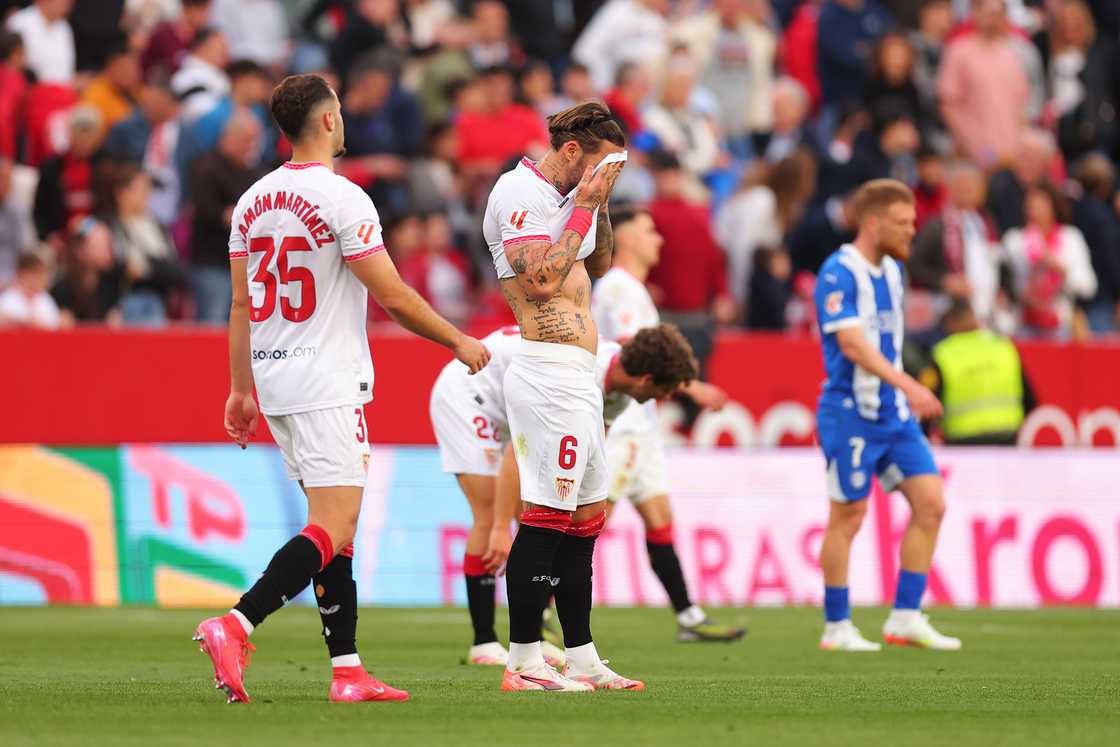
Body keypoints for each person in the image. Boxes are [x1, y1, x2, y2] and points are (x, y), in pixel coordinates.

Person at [192, 73, 490, 705]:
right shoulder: (344, 198)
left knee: (335, 531)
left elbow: (242, 304)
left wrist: (239, 390)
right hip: (325, 379)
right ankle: (236, 623)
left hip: (274, 379)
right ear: (328, 121)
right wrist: (458, 341)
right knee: (335, 522)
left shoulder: (251, 201)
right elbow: (392, 295)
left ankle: (348, 669)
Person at [481, 101, 638, 692]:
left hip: (580, 373)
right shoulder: (517, 192)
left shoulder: (568, 201)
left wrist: (599, 199)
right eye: (602, 164)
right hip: (545, 372)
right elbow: (541, 280)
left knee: (586, 518)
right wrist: (587, 199)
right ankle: (522, 660)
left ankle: (581, 654)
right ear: (572, 151)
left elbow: (598, 260)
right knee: (546, 516)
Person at [431, 324, 702, 665]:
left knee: (547, 523)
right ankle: (484, 643)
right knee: (490, 514)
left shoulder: (616, 393)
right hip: (470, 394)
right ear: (646, 380)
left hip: (512, 398)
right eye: (664, 391)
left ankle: (537, 633)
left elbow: (587, 458)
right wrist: (502, 527)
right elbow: (521, 450)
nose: (662, 401)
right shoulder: (580, 377)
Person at [813, 178, 960, 652]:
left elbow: (890, 342)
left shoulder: (894, 273)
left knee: (931, 504)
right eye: (902, 223)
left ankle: (905, 617)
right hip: (850, 412)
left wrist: (904, 387)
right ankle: (837, 626)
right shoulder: (839, 271)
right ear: (873, 223)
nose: (912, 231)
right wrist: (910, 384)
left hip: (893, 415)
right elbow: (853, 344)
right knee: (849, 515)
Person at [588, 205, 743, 641]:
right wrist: (692, 386)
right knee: (591, 521)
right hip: (622, 423)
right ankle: (542, 613)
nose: (658, 238)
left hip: (643, 425)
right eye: (649, 229)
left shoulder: (634, 289)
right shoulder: (618, 287)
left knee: (659, 517)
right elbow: (633, 348)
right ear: (627, 237)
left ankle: (688, 616)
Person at [923, 300, 1035, 445]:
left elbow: (928, 403)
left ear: (950, 322)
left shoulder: (943, 353)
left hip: (962, 442)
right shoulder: (1004, 347)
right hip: (1007, 439)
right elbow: (1030, 399)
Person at [937, 0, 1029, 169]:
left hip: (1012, 152)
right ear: (974, 14)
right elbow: (948, 103)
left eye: (997, 14)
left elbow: (1021, 105)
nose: (993, 19)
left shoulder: (1011, 54)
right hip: (975, 153)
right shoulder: (958, 51)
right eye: (988, 13)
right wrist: (969, 142)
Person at [1002, 182, 1097, 339]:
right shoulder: (1014, 240)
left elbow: (1088, 287)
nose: (1035, 211)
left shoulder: (1070, 238)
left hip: (1061, 322)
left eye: (1041, 205)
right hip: (1023, 323)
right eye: (1031, 206)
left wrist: (1061, 270)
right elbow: (1006, 282)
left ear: (1054, 206)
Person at [4, 0, 75, 84]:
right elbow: (11, 66)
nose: (67, 5)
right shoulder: (19, 22)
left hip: (62, 91)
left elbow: (67, 73)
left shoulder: (64, 28)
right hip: (26, 89)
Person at [0, 251, 62, 329]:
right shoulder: (8, 298)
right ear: (21, 273)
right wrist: (23, 321)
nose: (41, 278)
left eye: (42, 273)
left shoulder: (45, 299)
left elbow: (54, 326)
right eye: (35, 272)